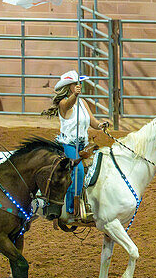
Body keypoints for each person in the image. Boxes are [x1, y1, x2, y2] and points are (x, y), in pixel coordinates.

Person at [42, 70, 110, 222]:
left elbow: (92, 121)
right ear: (69, 87)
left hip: (83, 144)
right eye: (76, 84)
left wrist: (101, 125)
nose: (79, 85)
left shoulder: (83, 102)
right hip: (69, 144)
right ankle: (72, 208)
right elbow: (68, 103)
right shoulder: (64, 103)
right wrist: (75, 95)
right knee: (77, 171)